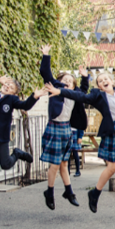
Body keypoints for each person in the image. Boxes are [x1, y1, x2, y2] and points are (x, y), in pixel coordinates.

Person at [45, 73, 115, 213]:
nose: (103, 81)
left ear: (112, 81)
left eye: (106, 79)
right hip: (114, 131)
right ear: (99, 86)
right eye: (100, 81)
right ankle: (95, 194)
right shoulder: (98, 96)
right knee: (112, 167)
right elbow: (80, 96)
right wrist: (59, 91)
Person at [38, 45, 89, 210]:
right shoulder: (55, 88)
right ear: (59, 82)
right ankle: (50, 192)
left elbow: (84, 90)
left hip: (67, 130)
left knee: (64, 165)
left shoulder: (75, 94)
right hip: (55, 127)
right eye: (64, 79)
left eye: (70, 81)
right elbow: (46, 73)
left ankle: (69, 192)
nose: (67, 82)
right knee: (54, 164)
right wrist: (46, 55)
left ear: (73, 85)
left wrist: (84, 77)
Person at [0, 76, 43, 172]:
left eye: (12, 88)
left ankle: (17, 153)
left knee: (5, 165)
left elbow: (25, 106)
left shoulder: (12, 99)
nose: (8, 87)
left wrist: (34, 96)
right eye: (8, 84)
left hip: (1, 138)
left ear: (14, 93)